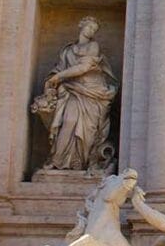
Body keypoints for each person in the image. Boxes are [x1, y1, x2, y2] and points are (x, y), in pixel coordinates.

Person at [32, 16, 118, 173]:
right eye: (89, 27)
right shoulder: (68, 51)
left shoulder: (93, 46)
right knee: (69, 122)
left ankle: (82, 163)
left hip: (92, 93)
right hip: (71, 91)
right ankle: (58, 161)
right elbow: (57, 70)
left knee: (89, 130)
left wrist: (58, 77)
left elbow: (84, 68)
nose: (91, 31)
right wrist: (52, 81)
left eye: (94, 30)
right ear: (81, 26)